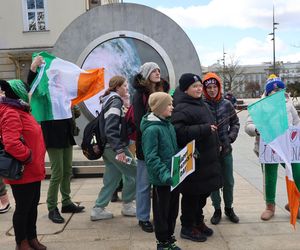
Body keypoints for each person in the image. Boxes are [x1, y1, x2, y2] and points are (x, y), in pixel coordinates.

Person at [28, 56, 85, 224]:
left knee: (67, 170)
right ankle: (52, 207)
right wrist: (33, 68)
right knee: (57, 172)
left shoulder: (63, 91)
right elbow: (31, 87)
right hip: (52, 133)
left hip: (65, 132)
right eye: (54, 75)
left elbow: (74, 109)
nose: (58, 77)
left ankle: (66, 202)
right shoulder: (44, 92)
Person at [171, 73, 222, 242]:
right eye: (195, 86)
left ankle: (198, 221)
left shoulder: (201, 104)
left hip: (207, 160)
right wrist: (204, 129)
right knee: (192, 195)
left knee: (202, 194)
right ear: (186, 89)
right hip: (194, 161)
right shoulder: (180, 107)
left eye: (200, 85)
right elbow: (179, 133)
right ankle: (187, 226)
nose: (199, 88)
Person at [245, 75, 300, 220]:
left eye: (279, 90)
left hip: (288, 146)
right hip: (269, 147)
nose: (276, 93)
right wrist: (257, 129)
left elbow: (296, 121)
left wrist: (295, 133)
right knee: (270, 176)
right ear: (268, 92)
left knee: (296, 172)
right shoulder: (261, 105)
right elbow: (248, 125)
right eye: (273, 91)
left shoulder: (288, 103)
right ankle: (270, 206)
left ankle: (295, 203)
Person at [0, 79, 47, 250]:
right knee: (23, 208)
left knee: (32, 206)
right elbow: (11, 142)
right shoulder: (12, 112)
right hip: (24, 170)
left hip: (33, 169)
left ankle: (32, 237)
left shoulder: (22, 109)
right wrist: (28, 156)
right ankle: (22, 242)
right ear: (20, 93)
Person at [90, 76, 137, 221]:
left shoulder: (109, 100)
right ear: (117, 87)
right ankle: (128, 204)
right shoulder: (115, 101)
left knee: (112, 178)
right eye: (124, 86)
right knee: (135, 171)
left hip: (108, 147)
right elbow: (111, 128)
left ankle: (98, 208)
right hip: (115, 147)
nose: (126, 88)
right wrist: (120, 150)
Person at [132, 62, 169, 232]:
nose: (157, 72)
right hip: (146, 145)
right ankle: (143, 217)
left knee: (161, 184)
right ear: (146, 74)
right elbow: (140, 120)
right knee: (144, 184)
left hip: (164, 144)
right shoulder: (139, 95)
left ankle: (160, 216)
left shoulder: (163, 91)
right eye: (153, 70)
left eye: (159, 70)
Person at [141, 92, 180, 250]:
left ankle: (170, 238)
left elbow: (173, 150)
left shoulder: (168, 125)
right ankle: (162, 242)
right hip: (162, 180)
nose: (172, 107)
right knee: (161, 213)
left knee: (172, 211)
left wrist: (188, 155)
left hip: (173, 177)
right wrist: (165, 175)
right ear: (159, 108)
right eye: (169, 104)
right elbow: (151, 158)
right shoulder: (152, 130)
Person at [202, 72, 240, 225]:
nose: (212, 90)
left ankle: (229, 208)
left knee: (228, 181)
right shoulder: (202, 105)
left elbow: (235, 123)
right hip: (210, 152)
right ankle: (216, 208)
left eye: (214, 87)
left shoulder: (227, 104)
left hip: (226, 151)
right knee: (213, 182)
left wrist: (230, 138)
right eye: (209, 87)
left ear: (219, 87)